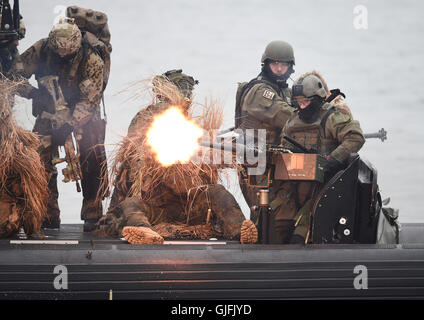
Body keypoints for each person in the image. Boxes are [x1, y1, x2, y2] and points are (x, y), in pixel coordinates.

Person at [97, 70, 258, 245]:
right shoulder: (148, 121)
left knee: (218, 193)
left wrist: (227, 153)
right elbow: (129, 169)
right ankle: (144, 232)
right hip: (156, 210)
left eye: (189, 93)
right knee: (131, 205)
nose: (188, 98)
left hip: (187, 208)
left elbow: (208, 157)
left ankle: (240, 230)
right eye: (183, 92)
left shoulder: (190, 127)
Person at [11, 18, 108, 231]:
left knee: (92, 159)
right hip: (50, 111)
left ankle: (92, 216)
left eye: (68, 55)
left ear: (76, 48)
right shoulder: (42, 49)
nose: (63, 57)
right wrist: (33, 93)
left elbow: (89, 100)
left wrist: (69, 126)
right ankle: (47, 215)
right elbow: (13, 74)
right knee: (37, 159)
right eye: (59, 55)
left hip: (83, 114)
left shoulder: (91, 59)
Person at [274, 74, 365, 244]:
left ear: (316, 99)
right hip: (293, 188)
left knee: (299, 237)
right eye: (298, 102)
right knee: (271, 227)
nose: (301, 106)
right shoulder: (292, 121)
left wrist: (332, 160)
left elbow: (355, 137)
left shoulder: (331, 117)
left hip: (320, 189)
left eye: (305, 102)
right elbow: (283, 148)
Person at [234, 40, 296, 225]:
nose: (278, 69)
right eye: (274, 64)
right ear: (266, 64)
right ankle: (255, 251)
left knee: (278, 214)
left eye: (283, 65)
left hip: (272, 163)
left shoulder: (283, 91)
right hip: (256, 166)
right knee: (264, 217)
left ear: (290, 67)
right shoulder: (260, 92)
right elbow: (288, 118)